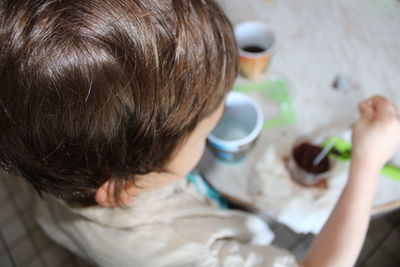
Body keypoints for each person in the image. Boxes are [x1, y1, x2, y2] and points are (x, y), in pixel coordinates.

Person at [1, 0, 399, 266]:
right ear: (124, 186)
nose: (223, 108)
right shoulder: (183, 252)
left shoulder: (43, 136)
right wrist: (365, 165)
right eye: (204, 127)